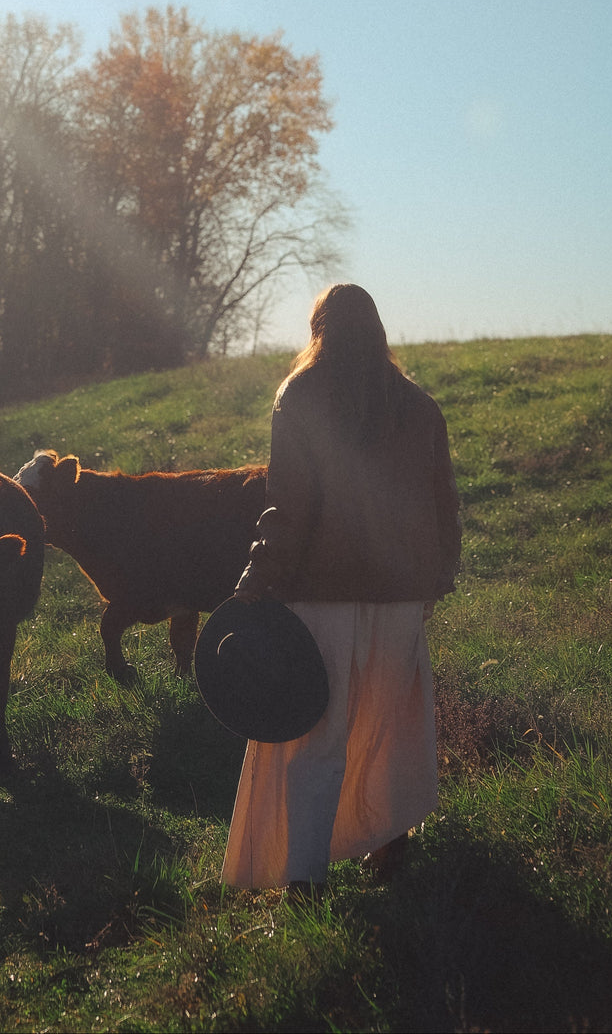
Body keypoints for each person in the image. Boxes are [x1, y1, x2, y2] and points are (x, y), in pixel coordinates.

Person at [223, 283, 460, 896]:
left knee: (314, 738)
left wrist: (257, 582)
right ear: (379, 332)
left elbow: (289, 506)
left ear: (319, 331)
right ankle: (389, 858)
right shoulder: (420, 406)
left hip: (318, 597)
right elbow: (444, 508)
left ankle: (303, 878)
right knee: (389, 729)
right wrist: (436, 579)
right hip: (402, 596)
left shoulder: (300, 395)